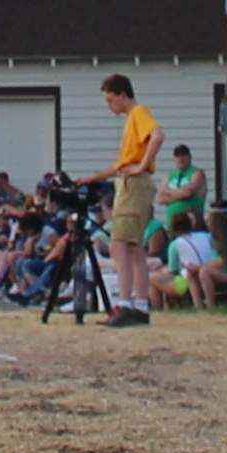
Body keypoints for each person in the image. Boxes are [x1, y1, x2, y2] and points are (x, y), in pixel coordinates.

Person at [99, 73, 163, 323]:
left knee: (119, 244)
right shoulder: (132, 119)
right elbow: (121, 164)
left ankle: (124, 304)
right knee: (135, 248)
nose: (109, 106)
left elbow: (157, 136)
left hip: (134, 184)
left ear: (123, 95)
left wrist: (141, 166)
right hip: (129, 181)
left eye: (111, 99)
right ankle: (140, 305)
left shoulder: (139, 113)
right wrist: (92, 178)